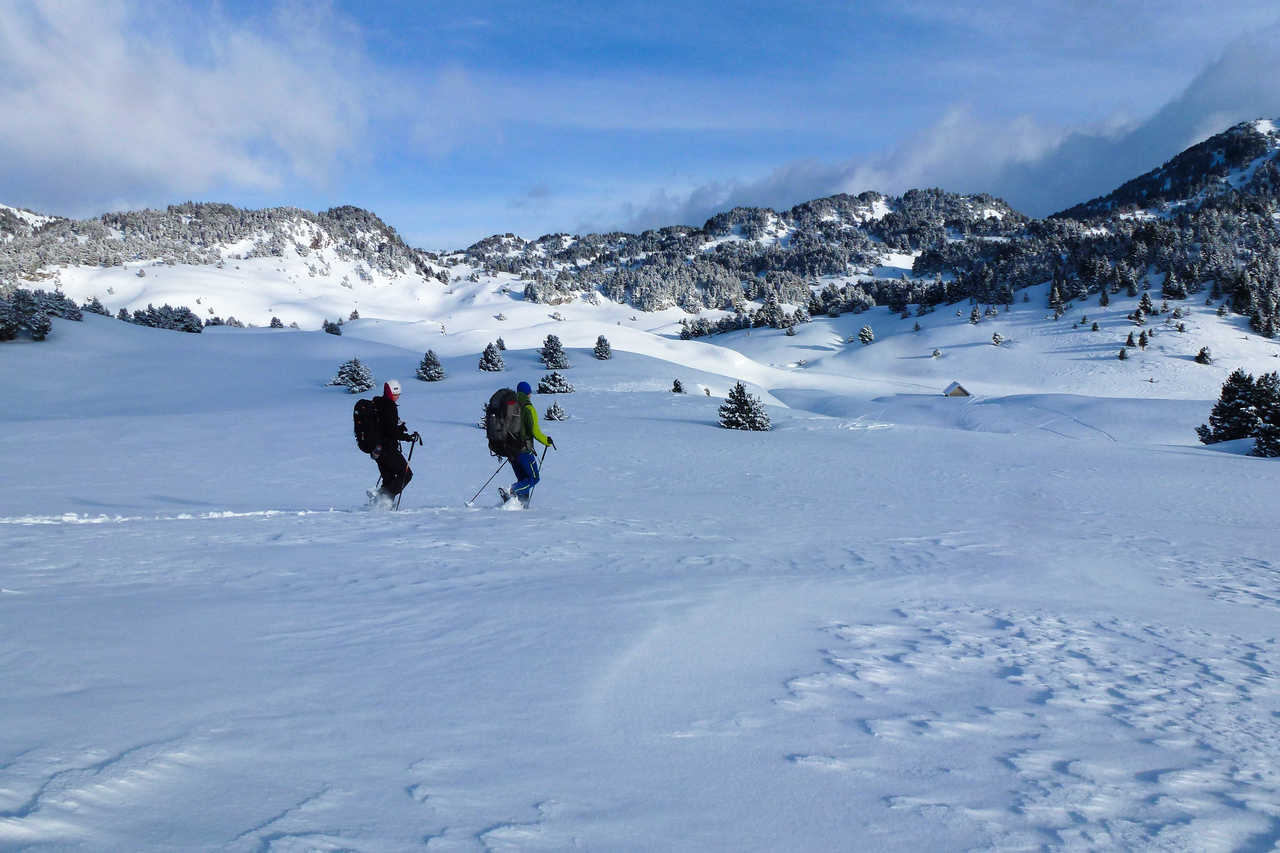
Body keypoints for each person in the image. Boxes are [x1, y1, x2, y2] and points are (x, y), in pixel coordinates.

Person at [499, 380, 554, 506]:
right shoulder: (528, 408)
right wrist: (546, 441)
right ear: (528, 393)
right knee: (534, 478)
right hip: (523, 451)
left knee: (524, 480)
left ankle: (521, 506)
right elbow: (534, 430)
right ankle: (511, 490)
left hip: (510, 452)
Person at [370, 379, 420, 503]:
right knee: (406, 474)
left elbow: (385, 426)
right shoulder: (389, 406)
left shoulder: (377, 404)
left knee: (389, 479)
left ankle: (381, 507)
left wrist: (399, 428)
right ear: (389, 393)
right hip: (386, 448)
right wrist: (407, 437)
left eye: (398, 395)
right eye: (395, 394)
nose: (397, 397)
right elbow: (390, 431)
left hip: (376, 449)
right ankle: (380, 496)